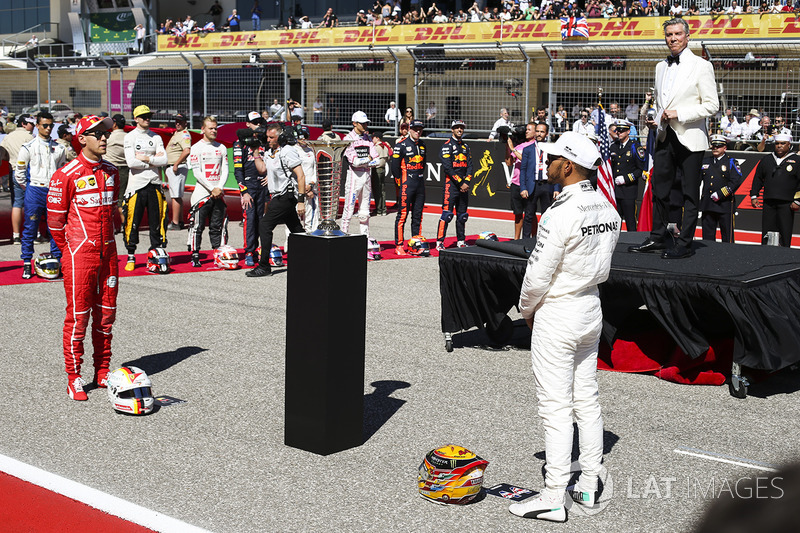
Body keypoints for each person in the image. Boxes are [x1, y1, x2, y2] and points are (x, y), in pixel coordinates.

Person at [510, 131, 620, 523]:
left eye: (554, 156)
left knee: (556, 407)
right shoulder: (609, 208)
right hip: (591, 305)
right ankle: (589, 482)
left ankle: (555, 495)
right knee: (586, 399)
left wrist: (526, 310)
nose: (548, 161)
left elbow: (538, 272)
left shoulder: (560, 212)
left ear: (568, 165)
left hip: (558, 311)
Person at [629, 18, 719, 259]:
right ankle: (658, 237)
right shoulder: (660, 67)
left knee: (690, 192)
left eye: (678, 34)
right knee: (660, 189)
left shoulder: (702, 66)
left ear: (687, 36)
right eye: (669, 34)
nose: (673, 38)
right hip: (664, 135)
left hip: (690, 137)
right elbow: (662, 103)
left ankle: (685, 242)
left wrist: (680, 114)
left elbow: (712, 105)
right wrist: (656, 119)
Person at [46, 115, 119, 401]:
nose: (104, 138)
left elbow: (113, 211)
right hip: (80, 254)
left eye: (106, 133)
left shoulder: (112, 171)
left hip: (109, 252)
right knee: (78, 317)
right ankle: (74, 376)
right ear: (81, 138)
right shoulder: (66, 174)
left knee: (107, 316)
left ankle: (102, 370)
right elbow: (54, 223)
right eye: (97, 133)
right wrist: (71, 251)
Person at [246, 123, 307, 278]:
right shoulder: (270, 152)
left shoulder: (287, 152)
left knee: (265, 225)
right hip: (278, 195)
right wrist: (255, 151)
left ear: (280, 137)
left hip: (286, 195)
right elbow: (262, 169)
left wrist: (301, 200)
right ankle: (312, 257)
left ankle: (264, 266)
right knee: (297, 230)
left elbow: (300, 175)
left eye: (271, 137)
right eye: (267, 137)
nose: (268, 139)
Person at [16, 112, 66, 279]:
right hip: (35, 190)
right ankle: (26, 263)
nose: (48, 128)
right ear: (37, 126)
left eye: (51, 125)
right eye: (45, 125)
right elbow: (19, 173)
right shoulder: (28, 147)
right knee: (30, 228)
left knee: (55, 228)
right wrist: (28, 188)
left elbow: (61, 171)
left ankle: (58, 260)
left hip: (53, 191)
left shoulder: (59, 148)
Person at [122, 104, 168, 271]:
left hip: (154, 183)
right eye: (143, 116)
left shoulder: (156, 137)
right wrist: (153, 158)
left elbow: (164, 161)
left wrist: (146, 159)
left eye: (149, 115)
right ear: (136, 119)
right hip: (136, 186)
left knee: (157, 222)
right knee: (132, 222)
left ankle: (155, 252)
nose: (147, 118)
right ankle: (131, 255)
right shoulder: (130, 137)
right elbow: (131, 162)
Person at [187, 117, 229, 267]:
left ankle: (219, 253)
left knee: (218, 226)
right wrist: (212, 188)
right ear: (202, 129)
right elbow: (197, 172)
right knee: (197, 226)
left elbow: (225, 170)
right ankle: (195, 254)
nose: (214, 131)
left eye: (215, 128)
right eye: (210, 128)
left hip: (218, 192)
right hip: (202, 193)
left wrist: (220, 187)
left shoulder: (221, 147)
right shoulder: (196, 147)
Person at [750, 134, 800, 247]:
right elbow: (757, 178)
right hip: (768, 202)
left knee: (785, 232)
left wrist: (797, 201)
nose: (779, 146)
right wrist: (754, 195)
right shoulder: (767, 159)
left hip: (787, 203)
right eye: (777, 143)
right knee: (767, 232)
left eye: (783, 143)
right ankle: (765, 255)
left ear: (789, 145)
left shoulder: (797, 160)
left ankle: (785, 255)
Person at [234, 112, 269, 266]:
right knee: (250, 219)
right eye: (255, 122)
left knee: (262, 219)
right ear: (247, 124)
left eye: (260, 122)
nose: (258, 125)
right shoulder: (240, 143)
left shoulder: (265, 141)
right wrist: (244, 192)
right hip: (249, 186)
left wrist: (270, 176)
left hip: (263, 185)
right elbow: (237, 170)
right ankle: (249, 251)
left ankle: (262, 249)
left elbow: (271, 162)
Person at [391, 119, 426, 255]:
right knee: (402, 216)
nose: (418, 132)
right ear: (410, 129)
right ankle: (399, 244)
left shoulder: (423, 145)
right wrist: (401, 184)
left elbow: (424, 164)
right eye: (415, 129)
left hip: (420, 184)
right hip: (406, 185)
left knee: (417, 215)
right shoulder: (401, 145)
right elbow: (394, 167)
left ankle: (415, 243)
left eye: (420, 129)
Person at [436, 120, 473, 250]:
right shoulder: (446, 146)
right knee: (447, 214)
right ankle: (440, 241)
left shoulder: (466, 147)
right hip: (451, 186)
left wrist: (467, 182)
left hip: (464, 186)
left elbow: (470, 166)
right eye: (457, 128)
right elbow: (448, 168)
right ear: (452, 130)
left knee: (462, 215)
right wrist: (461, 182)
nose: (459, 130)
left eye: (461, 128)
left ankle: (461, 240)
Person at [341, 111, 379, 236]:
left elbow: (377, 160)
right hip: (354, 177)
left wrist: (366, 161)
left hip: (367, 176)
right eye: (362, 123)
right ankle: (343, 235)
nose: (365, 125)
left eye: (366, 123)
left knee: (365, 211)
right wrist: (368, 159)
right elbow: (354, 162)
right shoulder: (347, 139)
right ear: (354, 123)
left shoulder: (368, 138)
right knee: (349, 209)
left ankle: (365, 238)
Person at [700, 135, 742, 243]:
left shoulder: (731, 162)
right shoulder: (705, 161)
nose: (715, 148)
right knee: (707, 237)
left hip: (724, 204)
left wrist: (721, 194)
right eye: (713, 146)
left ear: (725, 148)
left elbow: (736, 181)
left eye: (718, 146)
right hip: (708, 203)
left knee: (727, 236)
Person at [2, 114, 35, 243]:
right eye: (31, 124)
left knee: (16, 203)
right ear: (23, 124)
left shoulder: (7, 137)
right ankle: (33, 233)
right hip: (28, 172)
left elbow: (3, 154)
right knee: (32, 203)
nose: (33, 126)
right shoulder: (30, 137)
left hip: (14, 171)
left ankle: (16, 235)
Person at [610, 119, 646, 232]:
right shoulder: (613, 146)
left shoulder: (635, 147)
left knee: (630, 221)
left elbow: (640, 170)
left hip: (629, 190)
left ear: (628, 132)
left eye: (621, 130)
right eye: (617, 130)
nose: (619, 133)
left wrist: (626, 179)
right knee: (615, 221)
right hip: (615, 190)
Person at [165, 114, 191, 230]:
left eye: (180, 121)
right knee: (176, 195)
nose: (178, 123)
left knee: (175, 196)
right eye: (176, 121)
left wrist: (176, 164)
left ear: (186, 122)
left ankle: (175, 222)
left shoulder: (184, 134)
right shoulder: (177, 133)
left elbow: (186, 150)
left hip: (177, 167)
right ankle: (179, 221)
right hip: (174, 167)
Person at [513, 123, 538, 240]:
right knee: (518, 213)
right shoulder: (520, 145)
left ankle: (534, 238)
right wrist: (507, 145)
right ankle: (516, 239)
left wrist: (512, 148)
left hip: (528, 184)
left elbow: (526, 161)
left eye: (529, 129)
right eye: (526, 129)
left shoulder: (535, 146)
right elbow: (508, 161)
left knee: (530, 214)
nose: (526, 131)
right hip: (516, 182)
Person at [293, 126, 318, 233]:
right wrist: (301, 188)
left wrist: (311, 185)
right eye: (301, 137)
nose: (303, 139)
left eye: (306, 136)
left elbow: (316, 170)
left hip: (310, 189)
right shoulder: (292, 150)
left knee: (310, 220)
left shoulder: (312, 150)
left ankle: (311, 239)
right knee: (294, 219)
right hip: (296, 189)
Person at [105, 114, 128, 230]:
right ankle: (125, 225)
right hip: (126, 170)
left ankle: (111, 226)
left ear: (114, 124)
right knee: (122, 198)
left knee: (109, 198)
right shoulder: (128, 137)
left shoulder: (109, 137)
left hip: (110, 169)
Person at [371, 132, 391, 217]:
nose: (373, 140)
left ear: (377, 138)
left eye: (373, 138)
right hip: (383, 168)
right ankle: (383, 209)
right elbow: (389, 157)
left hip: (377, 169)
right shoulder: (385, 146)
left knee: (377, 190)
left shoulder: (376, 147)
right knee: (382, 190)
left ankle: (379, 209)